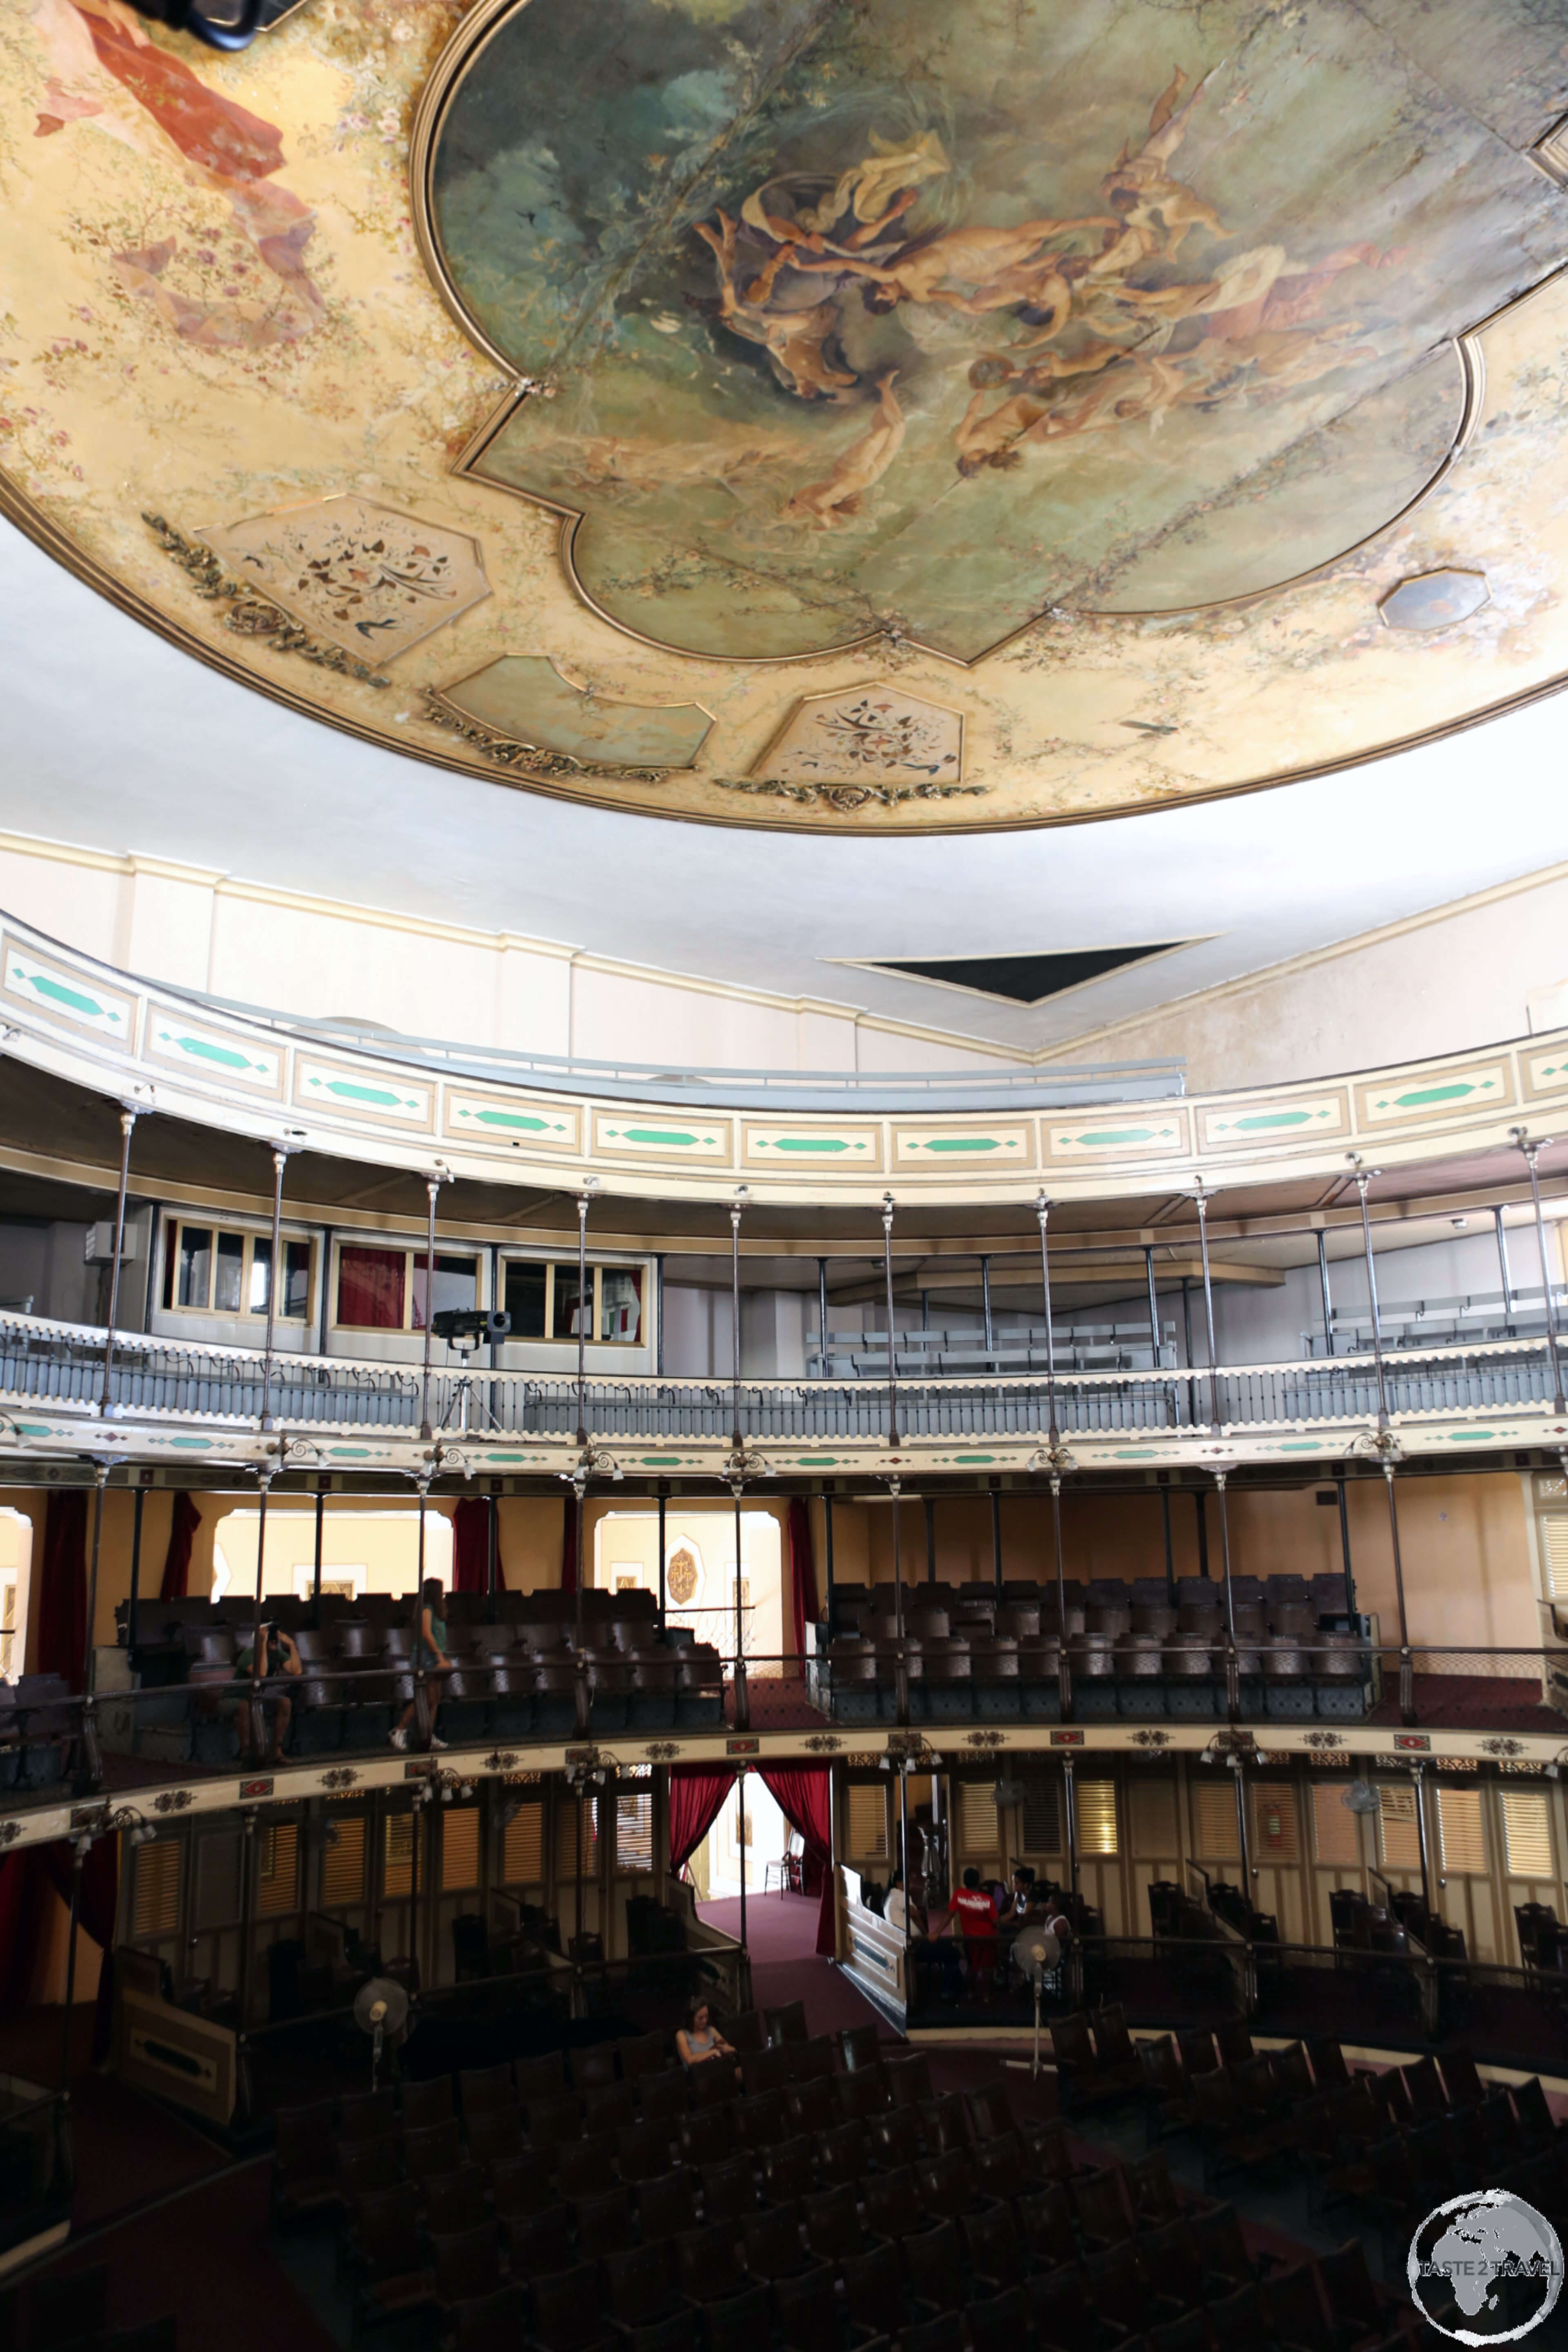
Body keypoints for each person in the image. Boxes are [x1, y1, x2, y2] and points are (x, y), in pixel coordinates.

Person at [390, 1577, 451, 1752]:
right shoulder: (427, 1608)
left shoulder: (437, 1612)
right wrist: (439, 1656)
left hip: (435, 1655)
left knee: (435, 1699)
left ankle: (427, 1736)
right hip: (426, 1657)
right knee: (425, 1698)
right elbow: (426, 1633)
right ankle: (399, 1730)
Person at [234, 1619, 301, 1764]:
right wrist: (262, 1644)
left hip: (257, 1698)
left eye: (275, 1637)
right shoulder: (248, 1655)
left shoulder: (278, 1654)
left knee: (285, 1703)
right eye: (271, 1638)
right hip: (238, 1697)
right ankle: (246, 1752)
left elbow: (296, 1671)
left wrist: (292, 1645)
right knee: (245, 1706)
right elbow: (262, 1673)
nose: (275, 1641)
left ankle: (276, 1751)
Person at [945, 1865, 1000, 2000]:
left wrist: (936, 1932)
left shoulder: (959, 1895)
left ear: (964, 1882)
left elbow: (948, 1916)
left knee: (972, 1966)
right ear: (979, 1882)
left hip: (970, 1939)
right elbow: (995, 1922)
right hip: (988, 1938)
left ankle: (971, 1993)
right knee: (988, 1967)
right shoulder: (987, 1899)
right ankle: (987, 1995)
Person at [676, 1997, 736, 2070]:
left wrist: (726, 2049)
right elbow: (690, 2060)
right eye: (701, 2018)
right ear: (691, 2018)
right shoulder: (682, 2035)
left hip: (718, 2070)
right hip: (698, 2077)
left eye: (706, 2016)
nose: (705, 2021)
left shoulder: (711, 2030)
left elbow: (728, 2048)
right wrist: (713, 2052)